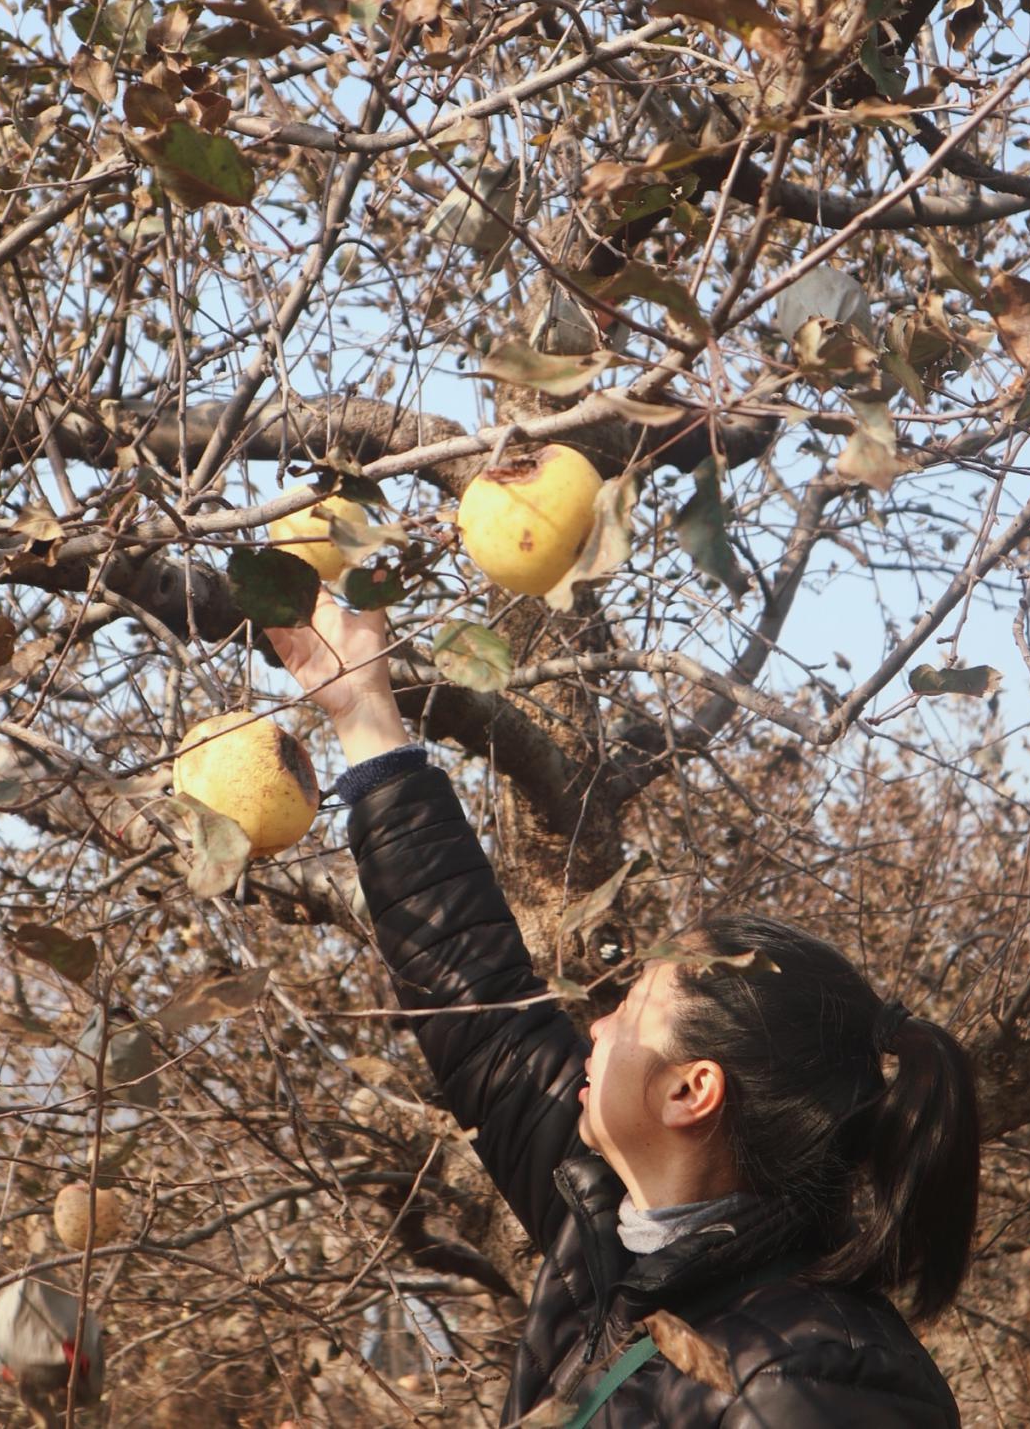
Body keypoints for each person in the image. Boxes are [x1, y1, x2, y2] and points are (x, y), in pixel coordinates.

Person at [267, 593, 979, 1428]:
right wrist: (365, 717)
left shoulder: (810, 1381)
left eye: (632, 1010)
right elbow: (478, 999)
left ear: (690, 1092)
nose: (595, 1028)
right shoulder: (614, 1231)